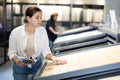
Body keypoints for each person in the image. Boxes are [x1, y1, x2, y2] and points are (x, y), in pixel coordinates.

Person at [7, 6, 67, 80]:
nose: (40, 20)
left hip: (36, 64)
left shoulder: (42, 31)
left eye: (41, 17)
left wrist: (53, 58)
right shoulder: (16, 32)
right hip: (19, 66)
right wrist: (18, 62)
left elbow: (45, 50)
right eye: (37, 17)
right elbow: (11, 52)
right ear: (28, 18)